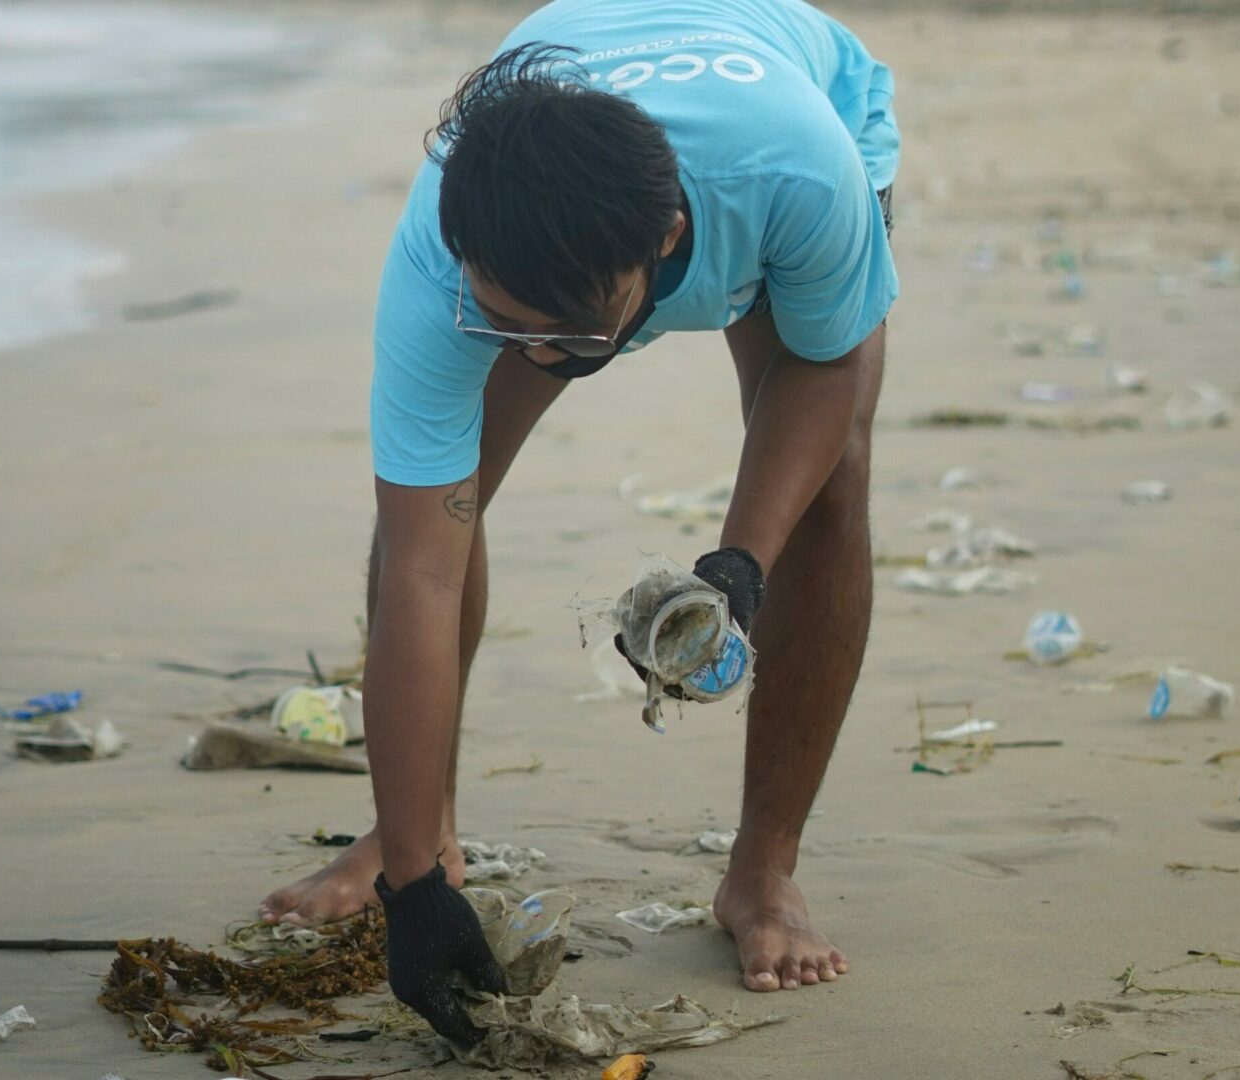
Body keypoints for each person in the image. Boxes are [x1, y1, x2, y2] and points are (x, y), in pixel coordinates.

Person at [260, 0, 898, 1045]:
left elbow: (824, 362)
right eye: (499, 320)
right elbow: (421, 567)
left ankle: (762, 873)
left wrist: (738, 564)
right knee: (433, 510)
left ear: (666, 246)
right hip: (572, 158)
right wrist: (416, 892)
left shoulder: (796, 174)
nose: (531, 354)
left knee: (830, 487)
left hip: (786, 99)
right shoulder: (438, 259)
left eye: (560, 329)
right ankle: (410, 832)